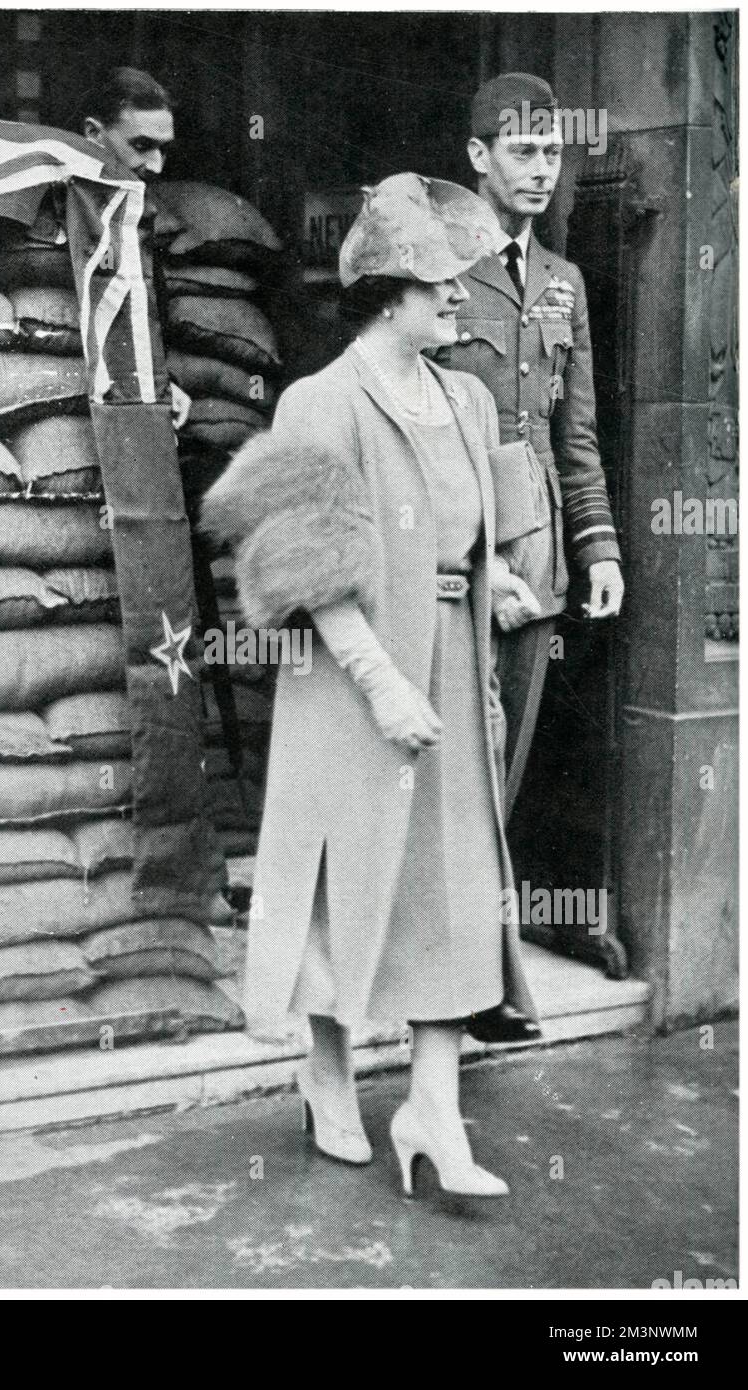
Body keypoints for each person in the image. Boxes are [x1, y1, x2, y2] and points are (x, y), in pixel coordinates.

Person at [202, 174, 540, 1201]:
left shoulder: (469, 397)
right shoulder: (321, 401)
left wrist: (506, 578)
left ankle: (433, 1105)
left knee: (452, 878)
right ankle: (328, 1068)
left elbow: (486, 525)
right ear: (390, 296)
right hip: (350, 673)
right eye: (442, 292)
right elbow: (307, 572)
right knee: (343, 880)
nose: (461, 305)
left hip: (448, 653)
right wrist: (382, 682)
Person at [441, 73, 625, 816]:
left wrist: (599, 549)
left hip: (535, 544)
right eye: (523, 151)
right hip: (454, 543)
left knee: (507, 752)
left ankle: (489, 922)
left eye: (552, 151)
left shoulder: (564, 283)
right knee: (449, 744)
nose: (543, 168)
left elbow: (573, 435)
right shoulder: (438, 271)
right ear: (477, 156)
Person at [82, 66, 190, 429]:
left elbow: (141, 324)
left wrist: (164, 385)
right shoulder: (51, 211)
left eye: (163, 149)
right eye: (142, 146)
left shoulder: (139, 222)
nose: (157, 166)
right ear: (93, 134)